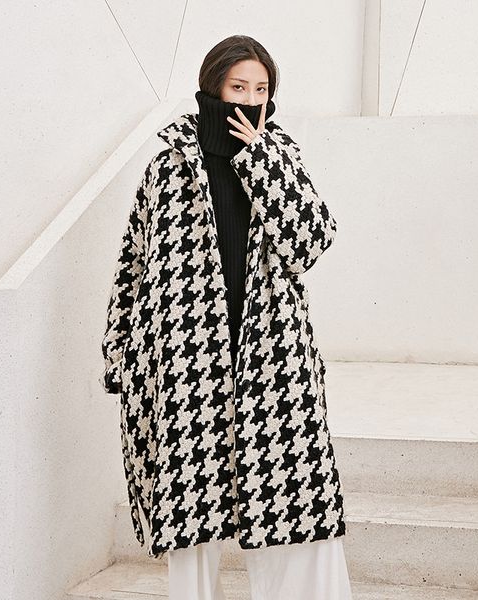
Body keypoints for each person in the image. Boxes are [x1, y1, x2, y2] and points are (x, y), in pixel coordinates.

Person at [100, 34, 353, 600]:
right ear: (212, 88)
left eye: (261, 90)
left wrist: (259, 161)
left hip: (273, 358)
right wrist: (119, 354)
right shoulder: (169, 167)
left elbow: (309, 243)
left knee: (293, 504)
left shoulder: (280, 155)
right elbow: (133, 265)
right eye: (239, 88)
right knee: (193, 512)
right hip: (186, 359)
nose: (251, 101)